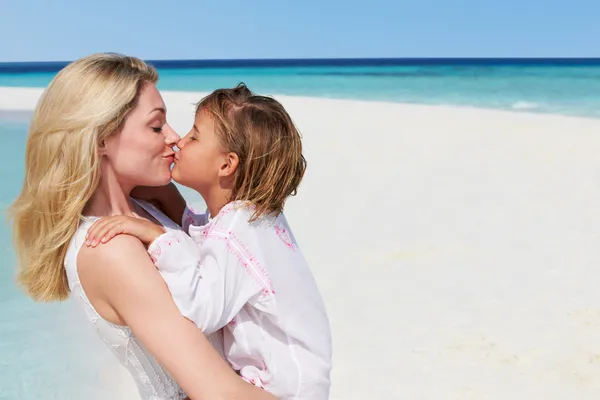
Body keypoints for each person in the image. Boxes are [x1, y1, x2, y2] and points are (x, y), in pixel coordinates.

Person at [9, 53, 276, 400]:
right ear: (100, 139)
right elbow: (216, 390)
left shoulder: (151, 201)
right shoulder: (110, 250)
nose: (174, 137)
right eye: (156, 126)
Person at [86, 84, 333, 399]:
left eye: (194, 136)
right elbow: (212, 244)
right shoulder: (251, 218)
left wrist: (158, 237)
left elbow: (202, 308)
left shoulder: (237, 230)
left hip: (282, 390)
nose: (179, 141)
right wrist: (170, 204)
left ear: (226, 165)